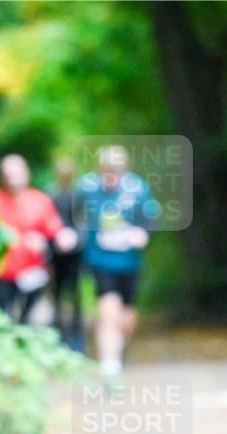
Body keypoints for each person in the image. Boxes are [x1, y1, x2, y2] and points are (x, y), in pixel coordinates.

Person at [79, 145, 155, 376]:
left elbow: (151, 217)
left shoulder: (138, 188)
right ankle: (109, 364)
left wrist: (143, 234)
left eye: (116, 170)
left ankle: (118, 347)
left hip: (129, 261)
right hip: (100, 259)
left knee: (126, 316)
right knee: (107, 308)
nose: (111, 175)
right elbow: (68, 211)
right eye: (106, 170)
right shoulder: (86, 188)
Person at [0, 154, 77, 323]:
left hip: (31, 271)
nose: (13, 180)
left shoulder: (40, 200)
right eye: (9, 175)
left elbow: (54, 229)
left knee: (26, 318)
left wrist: (62, 237)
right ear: (2, 176)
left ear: (26, 174)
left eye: (17, 174)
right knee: (1, 315)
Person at [49, 157, 85, 351]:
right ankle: (58, 335)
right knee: (56, 294)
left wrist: (76, 239)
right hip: (56, 253)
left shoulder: (78, 194)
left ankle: (76, 337)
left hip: (75, 254)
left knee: (74, 294)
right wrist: (56, 238)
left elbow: (83, 221)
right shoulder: (51, 193)